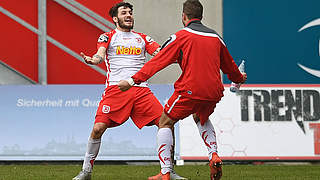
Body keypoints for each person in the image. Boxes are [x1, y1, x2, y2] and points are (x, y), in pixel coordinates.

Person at [118, 0, 248, 180]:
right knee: (201, 118)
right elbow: (231, 67)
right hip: (214, 92)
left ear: (184, 16)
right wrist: (239, 78)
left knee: (165, 122)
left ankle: (165, 172)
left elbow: (157, 62)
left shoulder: (181, 36)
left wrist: (133, 80)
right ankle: (214, 155)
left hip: (190, 89)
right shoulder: (216, 37)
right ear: (201, 16)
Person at [73, 2, 186, 180]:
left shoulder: (143, 38)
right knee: (98, 129)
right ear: (115, 18)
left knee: (167, 123)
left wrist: (181, 56)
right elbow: (100, 55)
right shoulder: (107, 36)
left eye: (130, 12)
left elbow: (161, 54)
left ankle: (168, 170)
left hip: (141, 90)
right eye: (124, 12)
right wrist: (93, 60)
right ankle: (86, 171)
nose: (128, 15)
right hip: (115, 89)